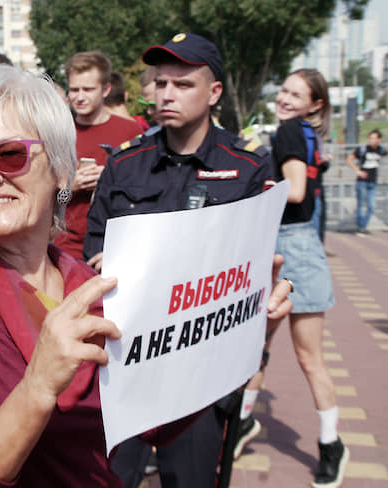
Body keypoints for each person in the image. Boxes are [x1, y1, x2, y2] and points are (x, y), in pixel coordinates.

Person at [0, 64, 294, 487]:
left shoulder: (95, 286)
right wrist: (38, 388)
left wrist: (240, 337)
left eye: (10, 154)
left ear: (62, 172)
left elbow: (156, 423)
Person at [83, 32, 278, 488]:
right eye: (160, 82)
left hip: (200, 374)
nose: (166, 93)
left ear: (213, 93)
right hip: (125, 364)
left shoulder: (248, 167)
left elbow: (256, 266)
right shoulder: (126, 164)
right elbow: (94, 246)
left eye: (182, 84)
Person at [237, 68, 347, 488]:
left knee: (298, 355)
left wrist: (252, 192)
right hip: (295, 243)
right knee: (261, 349)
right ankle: (247, 423)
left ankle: (330, 444)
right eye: (283, 89)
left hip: (291, 245)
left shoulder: (288, 132)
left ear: (314, 104)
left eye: (295, 93)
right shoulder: (304, 133)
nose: (283, 97)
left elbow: (296, 191)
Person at [53, 51, 145, 260]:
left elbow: (146, 193)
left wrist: (110, 180)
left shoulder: (130, 131)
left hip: (118, 245)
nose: (80, 96)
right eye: (74, 89)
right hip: (68, 248)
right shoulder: (59, 134)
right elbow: (49, 202)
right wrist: (70, 187)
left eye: (88, 89)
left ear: (106, 90)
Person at [346, 129, 388, 234]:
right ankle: (361, 227)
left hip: (373, 181)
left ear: (379, 140)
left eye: (374, 138)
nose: (371, 140)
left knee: (371, 206)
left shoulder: (380, 150)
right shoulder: (363, 149)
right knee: (361, 205)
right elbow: (349, 159)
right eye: (370, 138)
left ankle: (363, 226)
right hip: (362, 181)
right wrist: (357, 171)